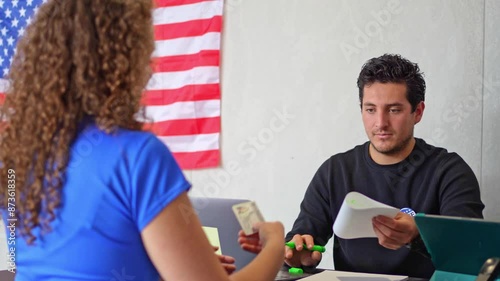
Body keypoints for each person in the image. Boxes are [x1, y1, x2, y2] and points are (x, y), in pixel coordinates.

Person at [0, 1, 284, 280]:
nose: (150, 66)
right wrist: (275, 245)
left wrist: (164, 264)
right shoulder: (138, 156)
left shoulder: (15, 158)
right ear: (125, 61)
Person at [284, 54, 485, 278]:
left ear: (417, 112)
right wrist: (297, 253)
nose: (380, 123)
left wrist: (417, 235)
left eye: (394, 110)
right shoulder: (335, 171)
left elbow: (470, 257)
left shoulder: (449, 171)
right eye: (371, 109)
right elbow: (302, 238)